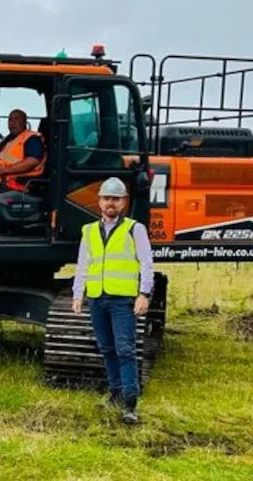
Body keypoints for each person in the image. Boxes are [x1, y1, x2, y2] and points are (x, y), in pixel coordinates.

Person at [72, 177, 154, 424]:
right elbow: (83, 264)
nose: (111, 203)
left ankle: (130, 403)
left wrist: (144, 294)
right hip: (97, 298)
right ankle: (115, 391)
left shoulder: (134, 229)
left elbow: (147, 263)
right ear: (99, 202)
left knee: (125, 349)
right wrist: (79, 294)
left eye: (116, 199)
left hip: (122, 300)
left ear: (123, 203)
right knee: (106, 348)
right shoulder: (89, 231)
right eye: (107, 198)